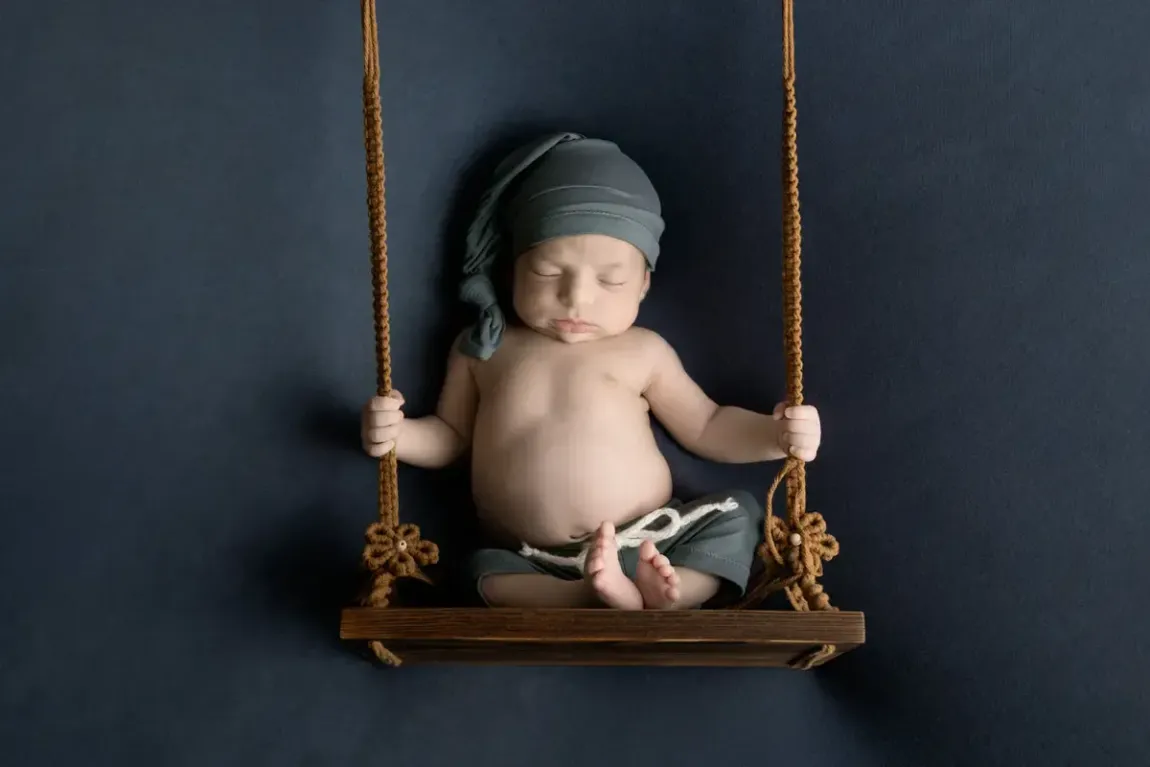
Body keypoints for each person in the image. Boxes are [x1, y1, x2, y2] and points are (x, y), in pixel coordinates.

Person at [360, 133, 821, 610]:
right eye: (547, 273)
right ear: (511, 270)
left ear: (642, 284)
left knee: (737, 517)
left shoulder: (642, 350)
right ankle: (584, 595)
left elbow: (706, 425)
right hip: (534, 559)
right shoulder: (484, 349)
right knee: (479, 573)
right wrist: (399, 436)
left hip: (648, 544)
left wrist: (775, 435)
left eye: (610, 280)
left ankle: (673, 594)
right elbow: (453, 438)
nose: (576, 298)